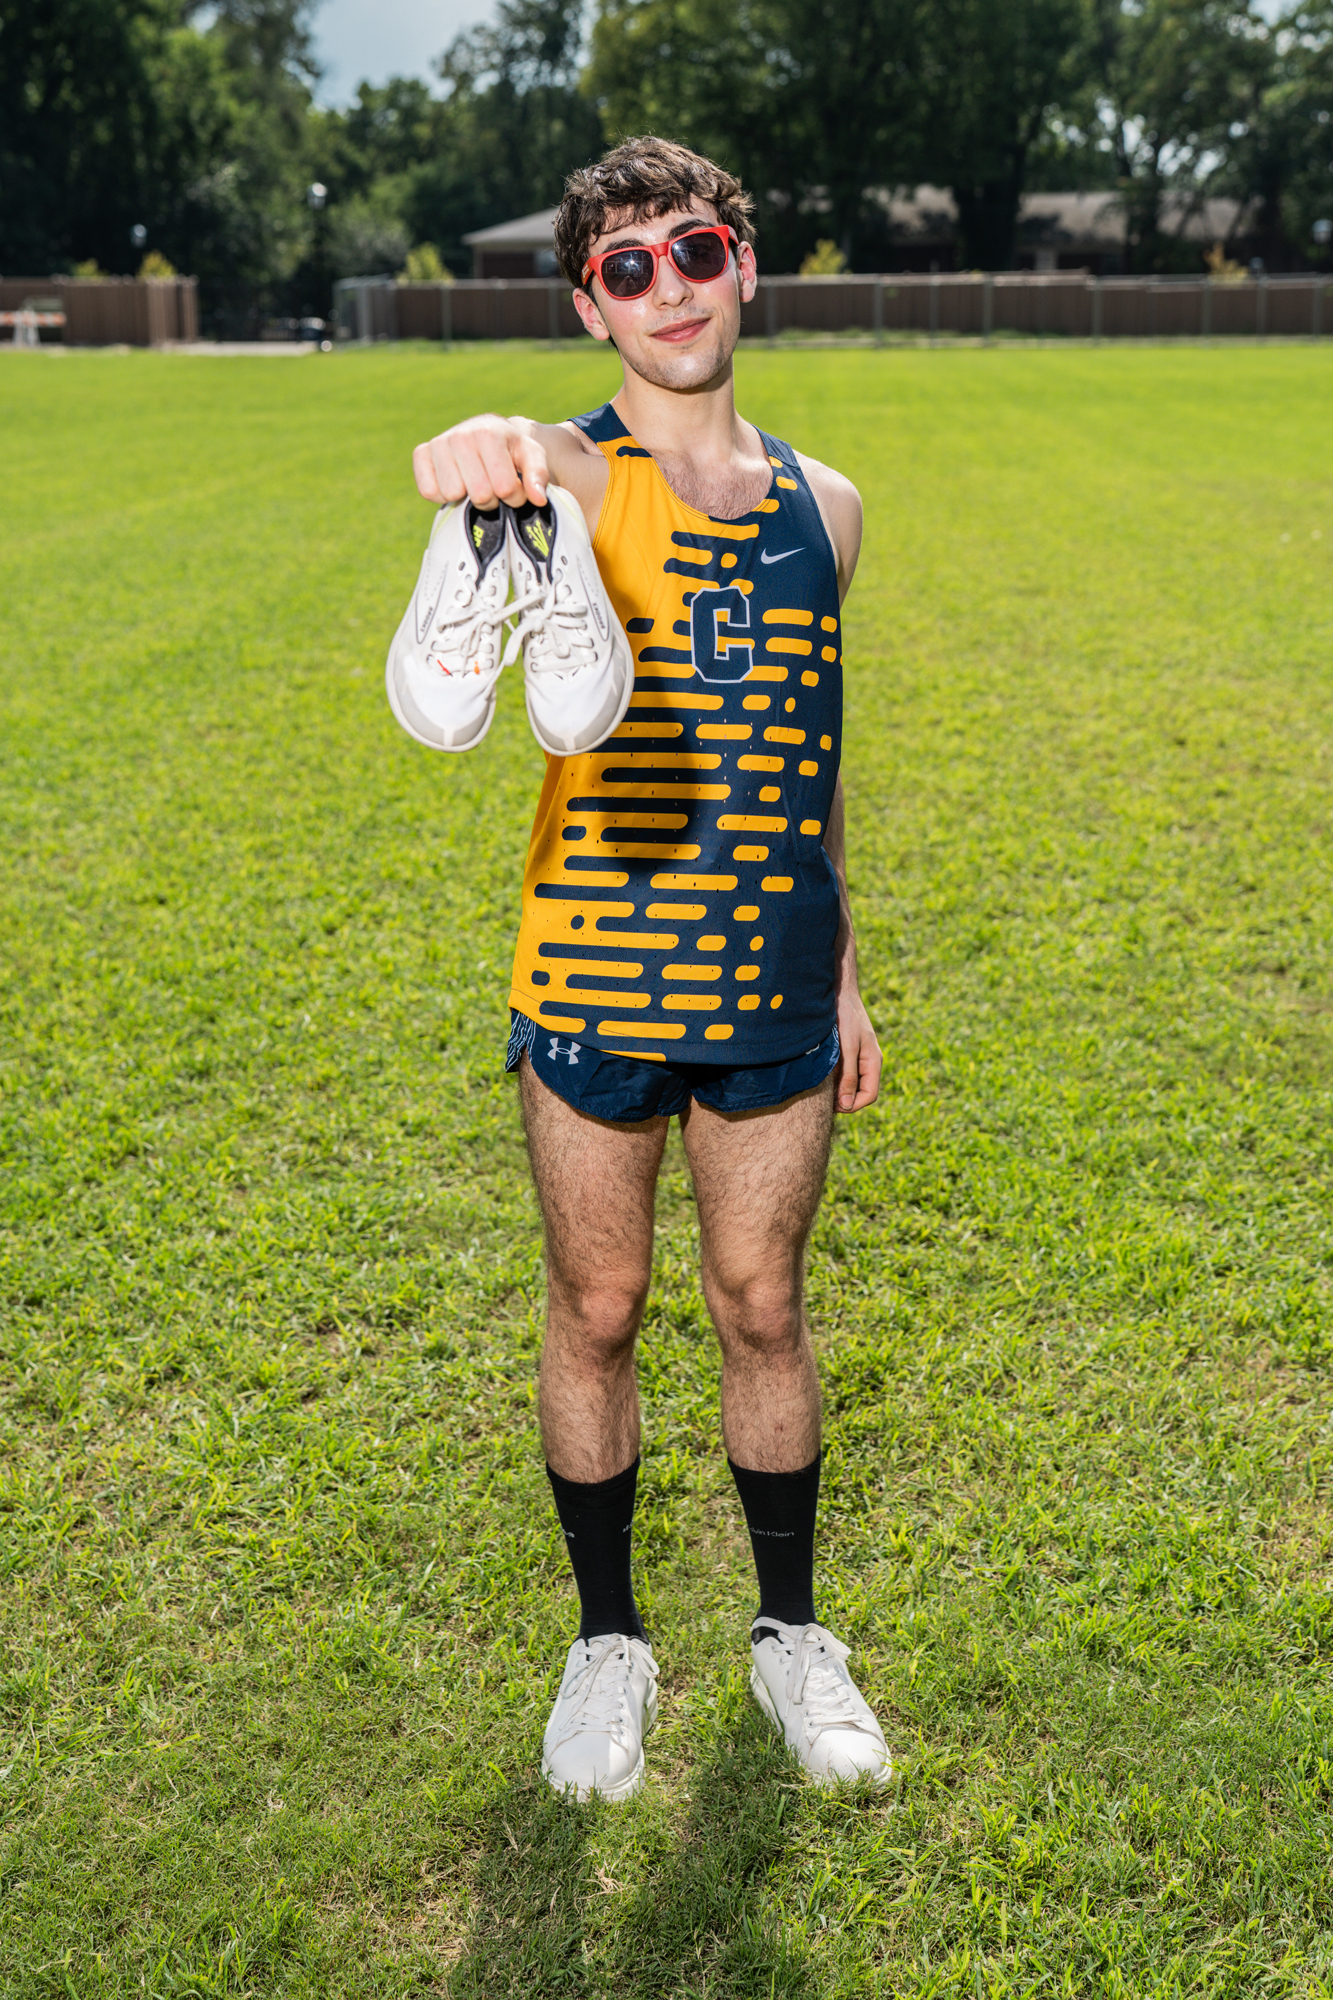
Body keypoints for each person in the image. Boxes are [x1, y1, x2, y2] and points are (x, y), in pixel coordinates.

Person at [395, 136, 889, 1802]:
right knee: (597, 1309)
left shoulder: (830, 506)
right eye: (625, 268)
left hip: (774, 982)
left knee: (761, 1304)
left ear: (742, 261)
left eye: (691, 249)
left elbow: (813, 755)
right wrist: (473, 453)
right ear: (588, 306)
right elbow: (497, 448)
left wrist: (844, 969)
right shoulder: (571, 479)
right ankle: (606, 1642)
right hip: (593, 979)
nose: (665, 287)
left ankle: (789, 1636)